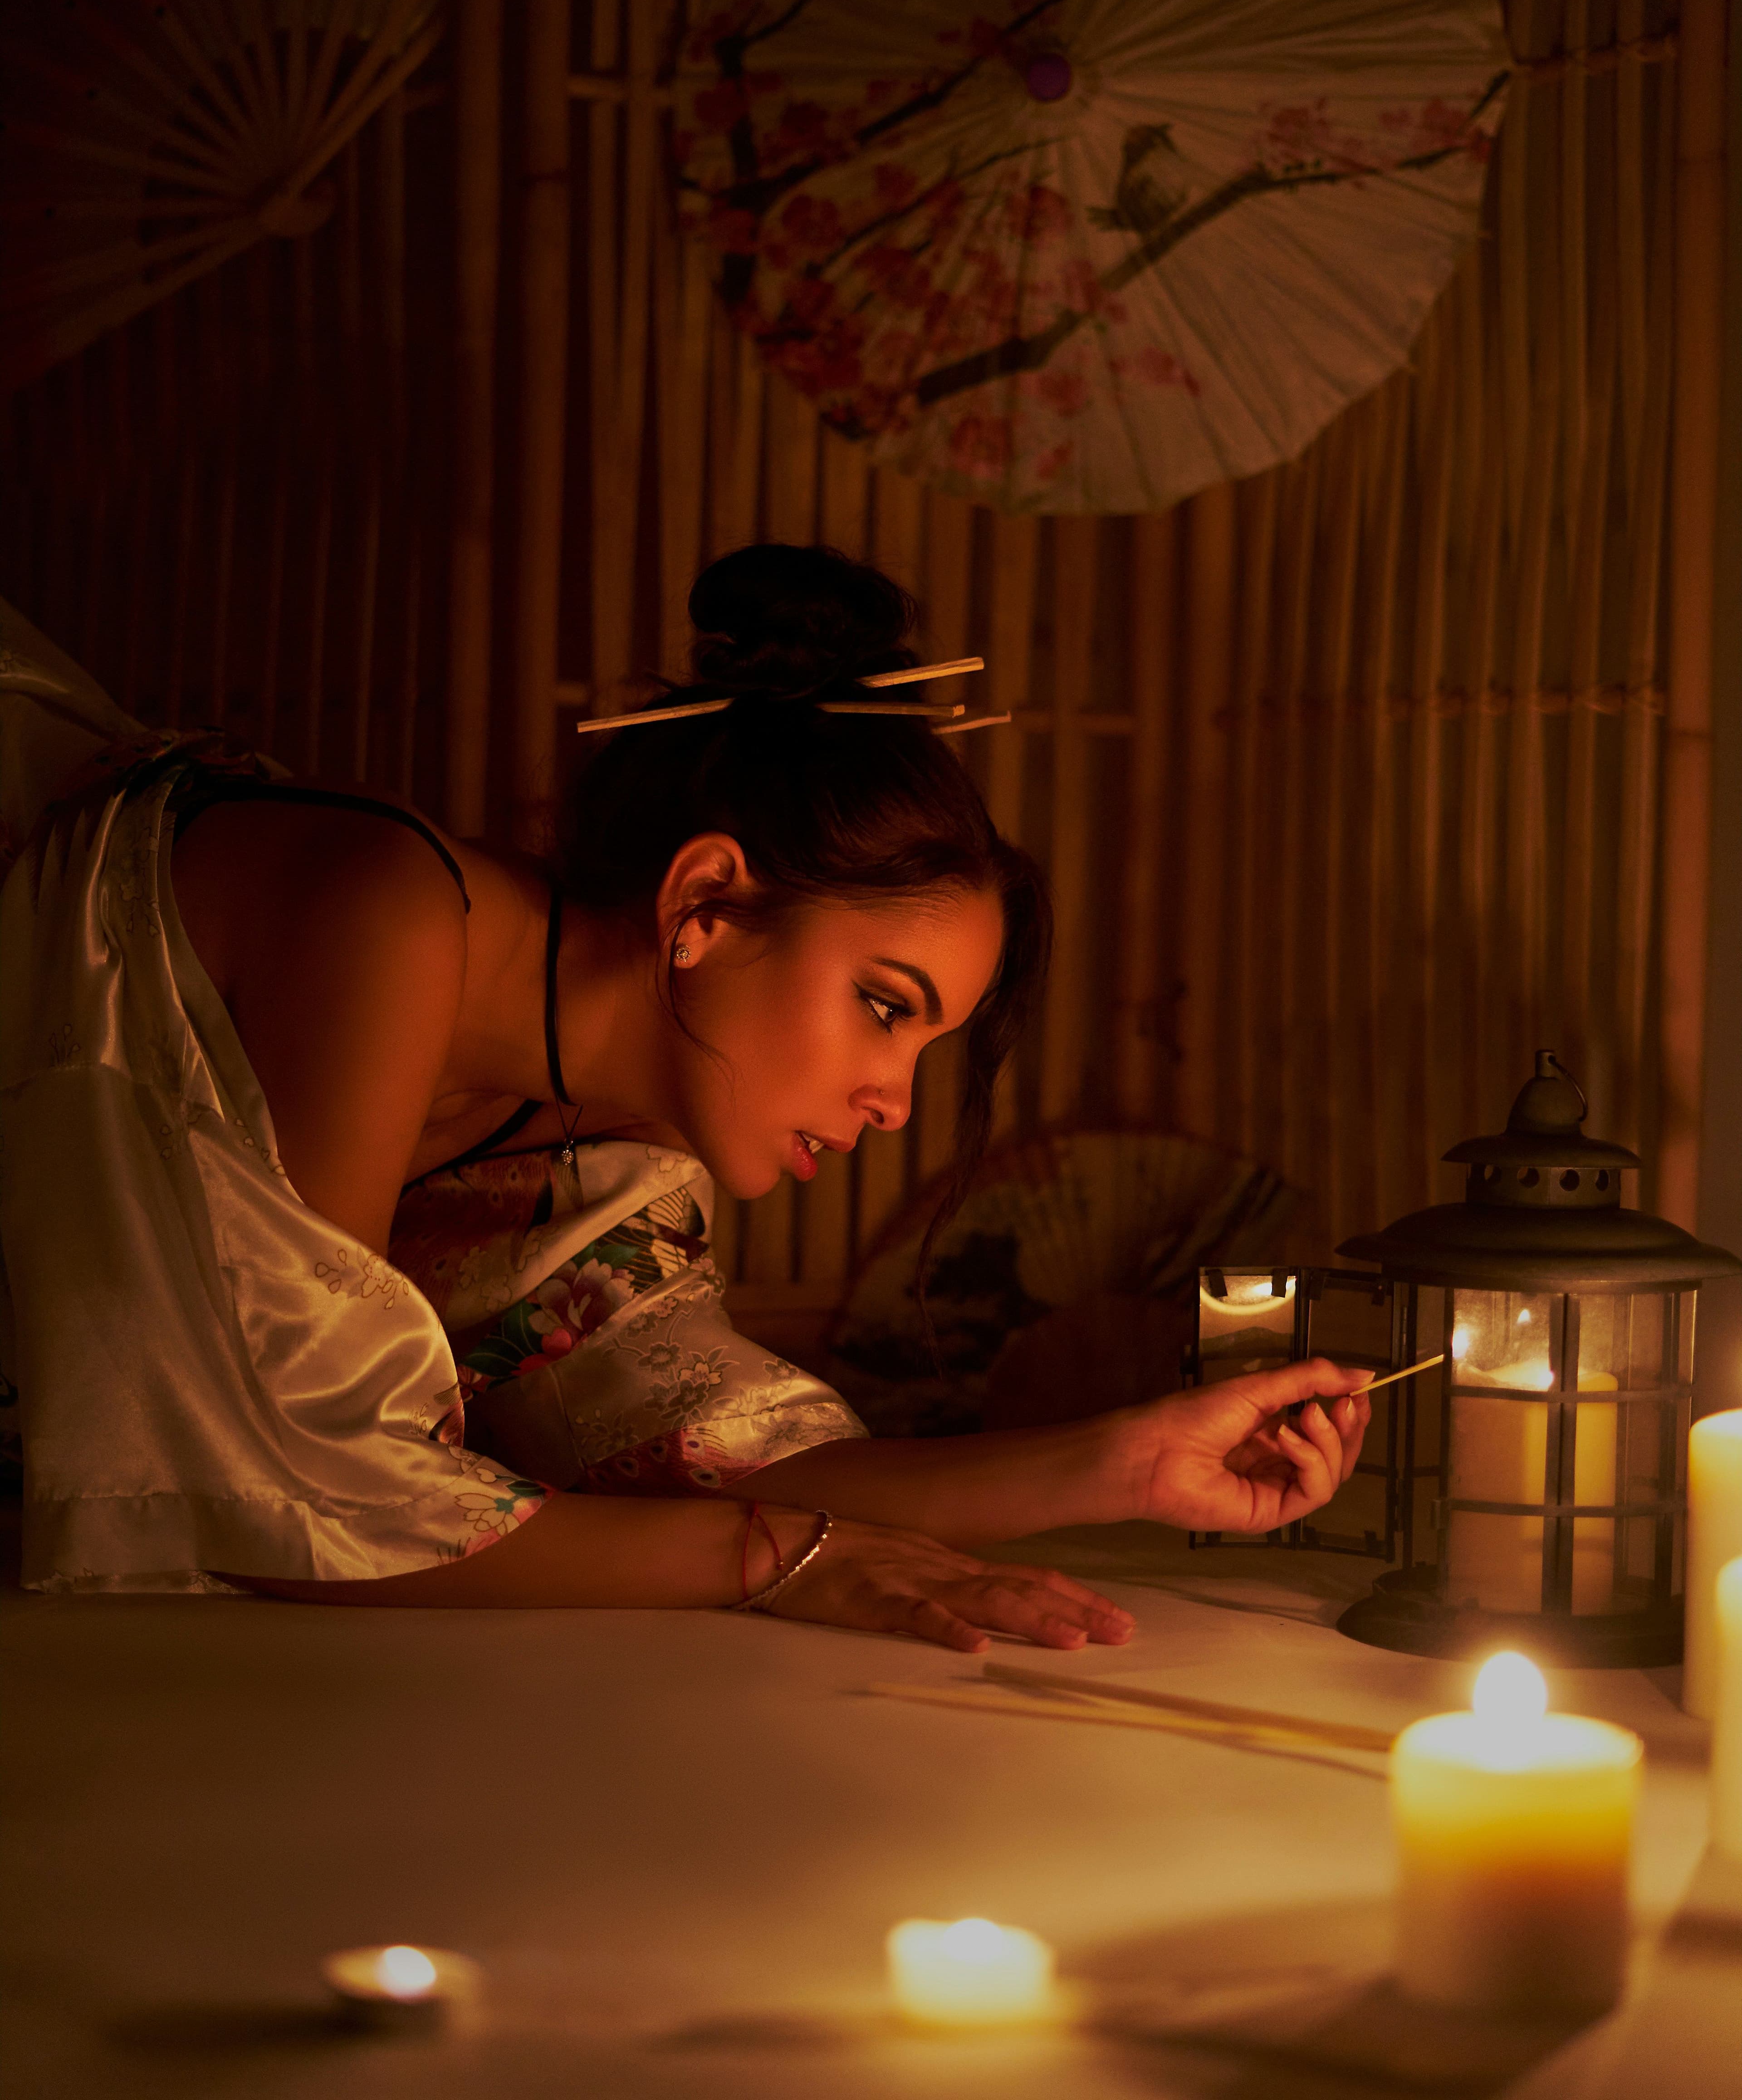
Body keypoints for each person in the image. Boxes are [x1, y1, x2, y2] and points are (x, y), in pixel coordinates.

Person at [0, 545, 1369, 1648]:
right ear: (705, 902)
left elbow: (715, 1466)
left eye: (925, 1046)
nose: (893, 1101)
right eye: (884, 1007)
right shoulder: (386, 913)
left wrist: (1119, 1468)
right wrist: (778, 1567)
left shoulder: (592, 1144)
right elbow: (310, 1491)